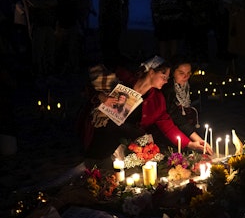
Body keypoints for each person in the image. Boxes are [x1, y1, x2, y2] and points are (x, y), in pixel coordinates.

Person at [84, 55, 213, 169]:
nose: (166, 81)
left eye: (167, 78)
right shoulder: (124, 80)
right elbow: (89, 89)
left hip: (128, 145)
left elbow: (168, 126)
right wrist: (102, 98)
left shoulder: (157, 99)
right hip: (102, 136)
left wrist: (191, 144)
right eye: (163, 76)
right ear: (151, 72)